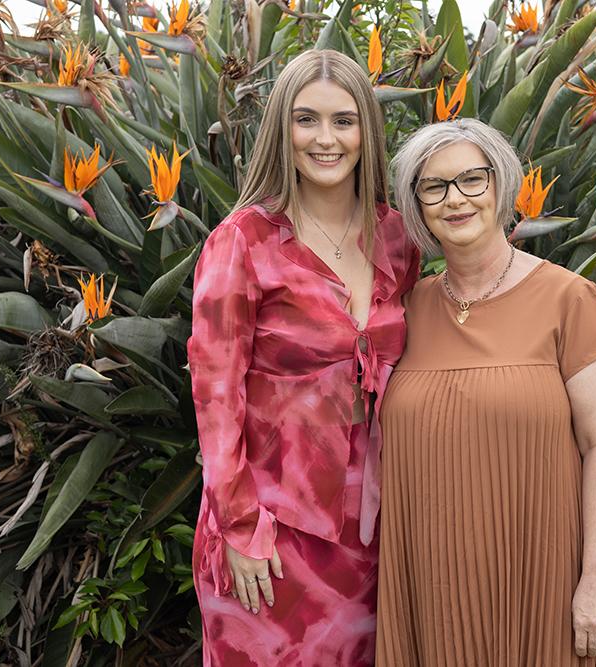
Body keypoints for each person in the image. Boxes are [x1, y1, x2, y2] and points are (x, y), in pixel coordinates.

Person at [187, 49, 419, 666]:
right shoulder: (244, 241)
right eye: (306, 119)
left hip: (371, 526)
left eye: (344, 120)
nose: (326, 139)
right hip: (270, 522)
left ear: (367, 129)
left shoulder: (396, 237)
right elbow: (215, 396)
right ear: (280, 131)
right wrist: (238, 526)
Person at [376, 118, 596, 666]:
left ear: (502, 186)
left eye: (473, 179)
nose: (456, 199)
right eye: (434, 186)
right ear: (416, 205)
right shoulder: (405, 311)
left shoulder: (571, 300)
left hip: (542, 576)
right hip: (433, 586)